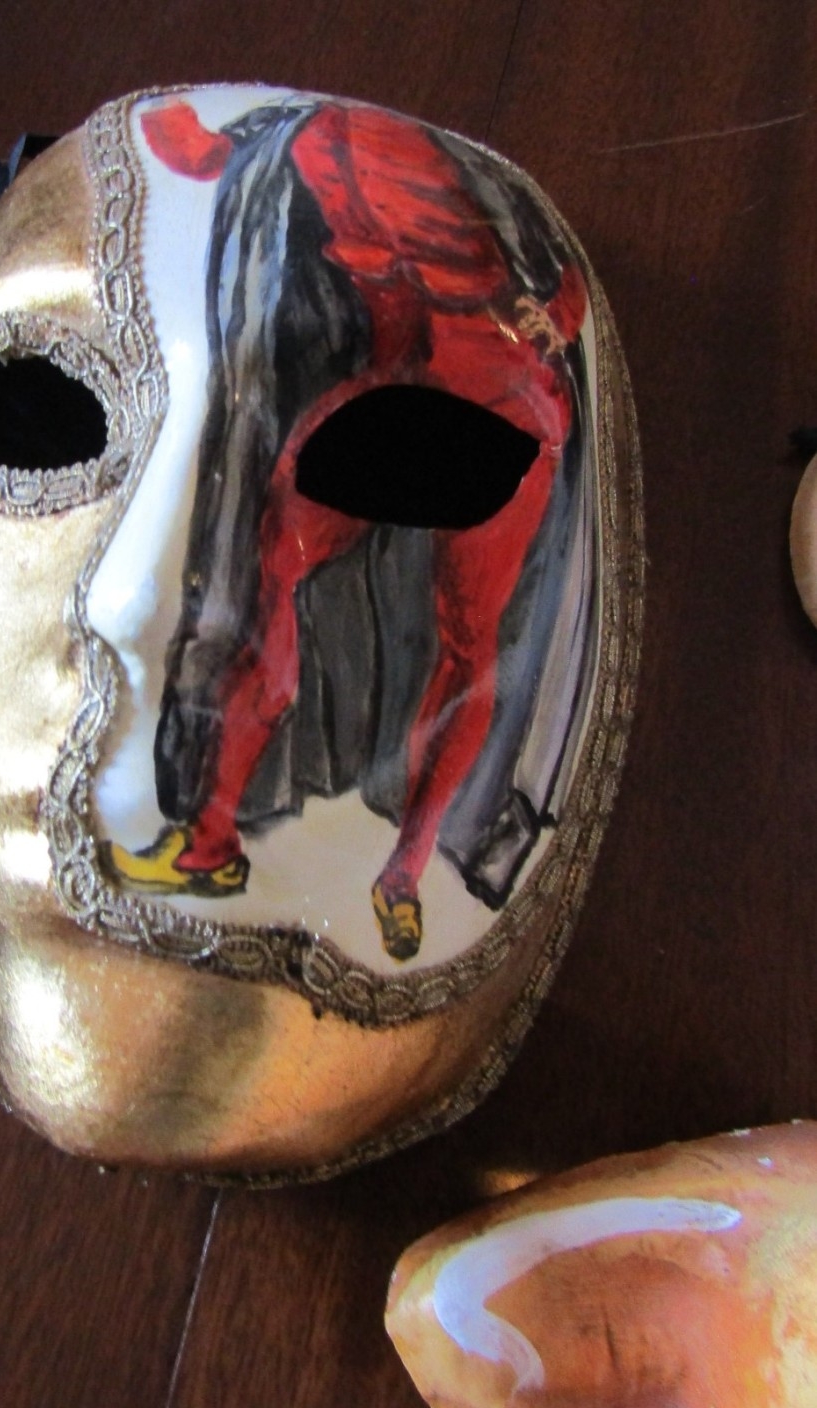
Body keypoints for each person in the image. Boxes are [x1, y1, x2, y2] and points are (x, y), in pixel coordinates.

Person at [107, 97, 587, 962]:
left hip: (502, 419)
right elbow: (199, 158)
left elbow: (561, 286)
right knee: (271, 571)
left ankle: (402, 873)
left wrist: (553, 319)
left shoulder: (420, 181)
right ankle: (211, 844)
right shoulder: (301, 146)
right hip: (400, 395)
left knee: (467, 646)